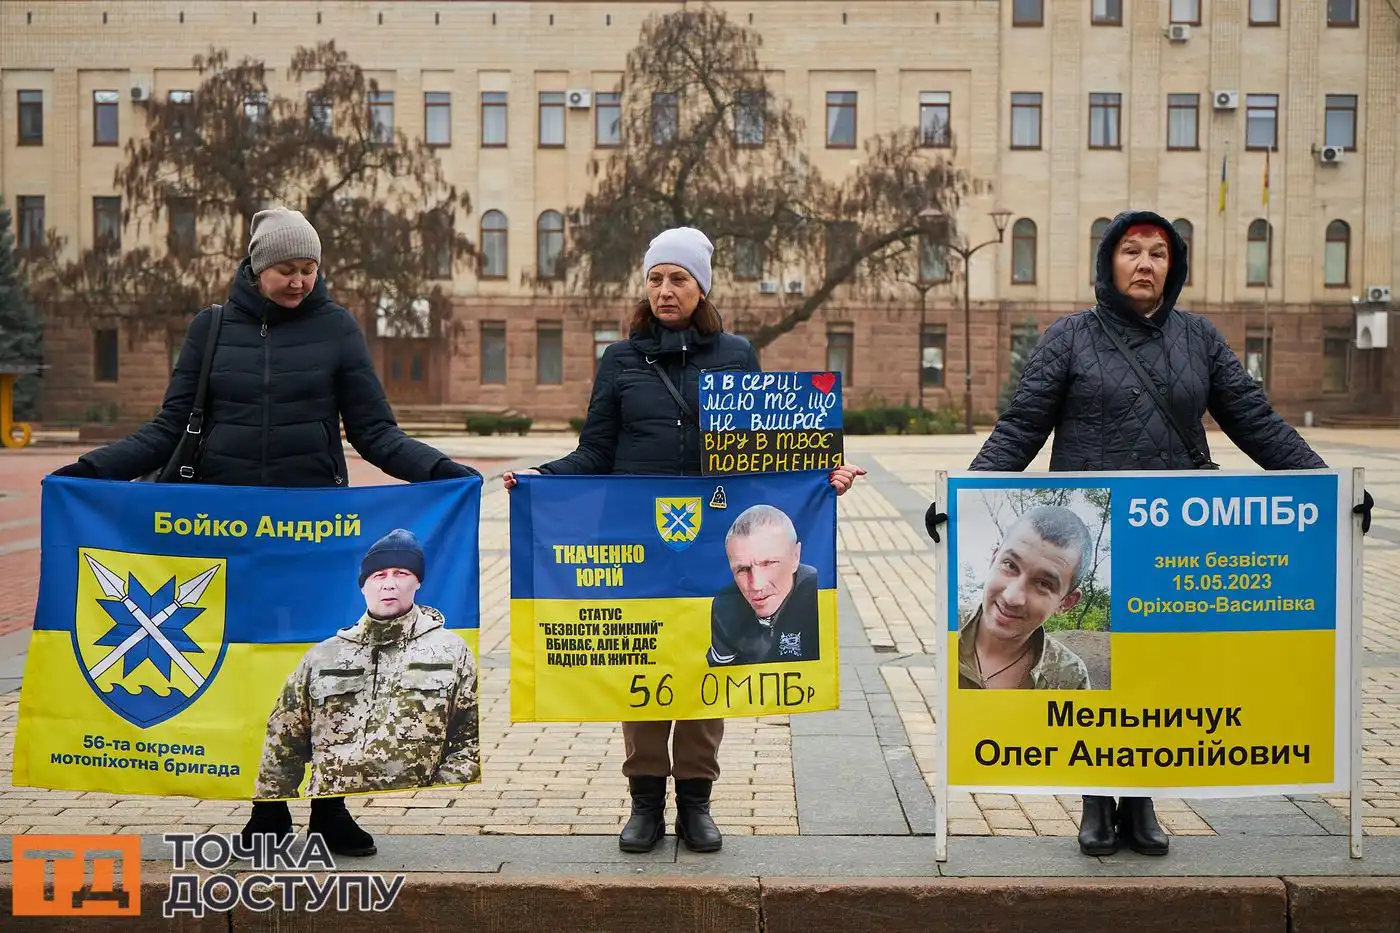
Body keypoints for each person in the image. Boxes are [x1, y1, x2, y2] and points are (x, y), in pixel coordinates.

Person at [926, 209, 1374, 859]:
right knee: (1106, 681)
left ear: (1174, 267)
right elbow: (1019, 430)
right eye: (1131, 250)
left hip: (1174, 542)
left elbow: (1257, 421)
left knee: (1161, 673)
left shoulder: (1200, 339)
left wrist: (1330, 487)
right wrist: (958, 501)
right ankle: (1094, 802)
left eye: (1158, 254)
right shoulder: (1069, 338)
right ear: (1108, 261)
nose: (1145, 263)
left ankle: (1141, 800)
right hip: (1102, 536)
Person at [49, 206, 481, 857]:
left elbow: (374, 432)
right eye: (287, 268)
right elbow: (167, 428)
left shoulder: (338, 329)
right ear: (257, 266)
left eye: (309, 268)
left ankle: (330, 809)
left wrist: (447, 472)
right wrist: (87, 471)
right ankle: (267, 809)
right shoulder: (212, 330)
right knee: (248, 672)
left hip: (314, 537)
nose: (300, 280)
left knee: (327, 674)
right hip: (225, 540)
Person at [504, 226, 865, 855]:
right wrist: (540, 481)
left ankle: (697, 799)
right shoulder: (620, 360)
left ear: (702, 287)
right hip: (635, 538)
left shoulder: (736, 355)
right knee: (638, 665)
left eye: (678, 279)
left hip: (713, 539)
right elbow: (596, 451)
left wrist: (820, 479)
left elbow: (765, 456)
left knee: (706, 667)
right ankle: (644, 800)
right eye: (656, 278)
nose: (665, 290)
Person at [253, 528, 479, 799]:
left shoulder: (450, 651)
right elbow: (284, 738)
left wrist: (433, 797)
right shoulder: (325, 655)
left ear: (417, 582)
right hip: (333, 812)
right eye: (379, 575)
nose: (389, 584)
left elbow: (472, 739)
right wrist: (270, 806)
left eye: (401, 574)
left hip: (415, 811)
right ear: (363, 586)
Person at [958, 505, 1092, 691]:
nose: (1012, 597)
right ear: (993, 559)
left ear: (1065, 602)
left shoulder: (1069, 678)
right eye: (1010, 565)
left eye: (1043, 584)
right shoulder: (942, 629)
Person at [708, 504, 820, 666]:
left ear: (795, 557)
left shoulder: (818, 593)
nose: (757, 585)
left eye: (769, 563)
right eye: (743, 569)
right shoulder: (725, 608)